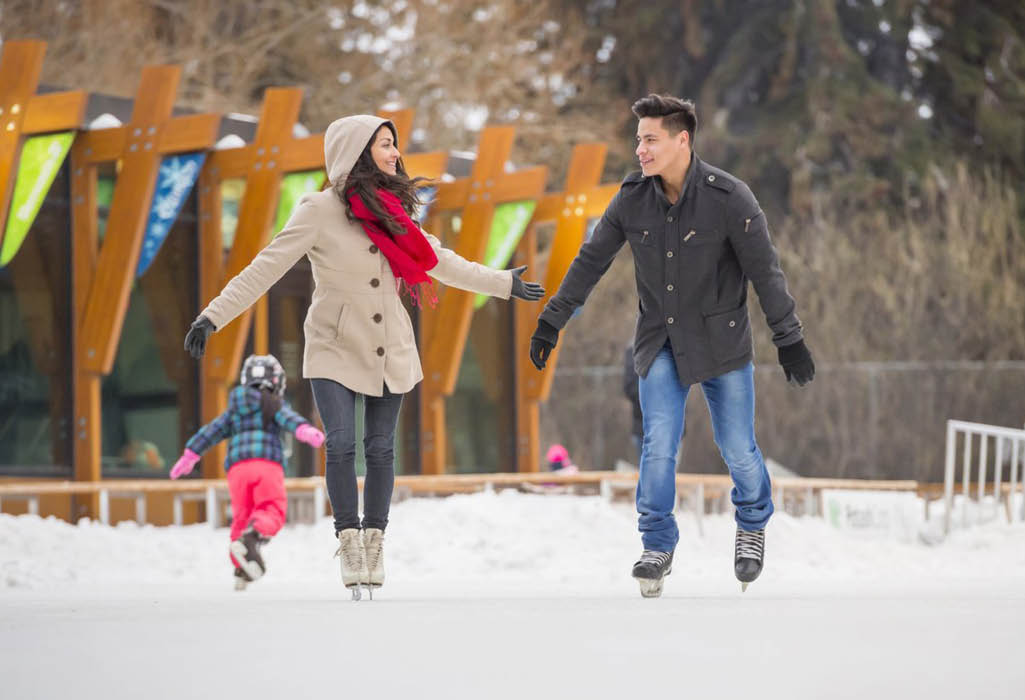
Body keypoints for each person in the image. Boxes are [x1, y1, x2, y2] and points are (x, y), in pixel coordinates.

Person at [184, 115, 544, 600]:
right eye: (385, 144)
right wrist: (212, 316)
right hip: (334, 345)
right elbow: (264, 268)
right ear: (356, 150)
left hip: (389, 346)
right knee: (340, 442)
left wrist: (503, 283)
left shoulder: (396, 213)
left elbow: (439, 260)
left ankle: (374, 542)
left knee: (379, 448)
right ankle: (348, 540)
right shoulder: (317, 210)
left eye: (395, 145)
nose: (396, 153)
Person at [529, 94, 814, 597]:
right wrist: (552, 321)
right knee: (659, 444)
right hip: (659, 339)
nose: (640, 149)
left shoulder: (730, 198)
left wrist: (788, 338)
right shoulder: (631, 199)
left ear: (682, 140)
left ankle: (751, 523)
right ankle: (657, 542)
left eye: (650, 139)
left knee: (738, 449)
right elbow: (591, 261)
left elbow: (765, 273)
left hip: (722, 342)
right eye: (638, 139)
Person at [169, 354, 325, 590]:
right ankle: (251, 540)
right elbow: (288, 419)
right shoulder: (272, 403)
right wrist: (305, 431)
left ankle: (241, 569)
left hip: (237, 470)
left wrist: (190, 455)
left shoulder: (235, 408)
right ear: (276, 381)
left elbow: (212, 431)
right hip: (266, 465)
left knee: (242, 517)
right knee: (271, 509)